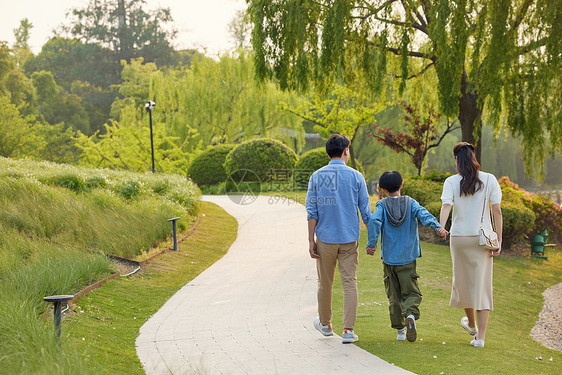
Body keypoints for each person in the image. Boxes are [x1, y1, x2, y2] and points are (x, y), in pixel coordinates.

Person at [366, 171, 448, 342]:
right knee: (410, 290)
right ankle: (410, 314)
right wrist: (438, 227)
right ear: (401, 185)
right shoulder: (410, 203)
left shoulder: (381, 205)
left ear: (382, 189)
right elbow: (424, 214)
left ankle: (400, 331)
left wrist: (372, 244)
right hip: (408, 257)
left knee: (393, 295)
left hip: (389, 259)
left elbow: (374, 221)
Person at [306, 134, 371, 344]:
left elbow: (311, 212)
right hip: (349, 239)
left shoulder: (316, 176)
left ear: (327, 153)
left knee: (325, 283)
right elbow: (366, 213)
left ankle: (325, 325)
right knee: (349, 283)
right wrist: (373, 237)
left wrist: (310, 240)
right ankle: (348, 331)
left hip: (325, 239)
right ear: (345, 151)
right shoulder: (356, 176)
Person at [439, 142, 503, 348]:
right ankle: (481, 338)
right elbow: (497, 212)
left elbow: (446, 205)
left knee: (464, 282)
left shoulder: (451, 181)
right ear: (474, 158)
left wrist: (441, 227)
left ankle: (472, 325)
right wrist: (499, 240)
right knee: (482, 286)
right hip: (481, 239)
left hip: (459, 238)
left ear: (457, 160)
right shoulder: (489, 179)